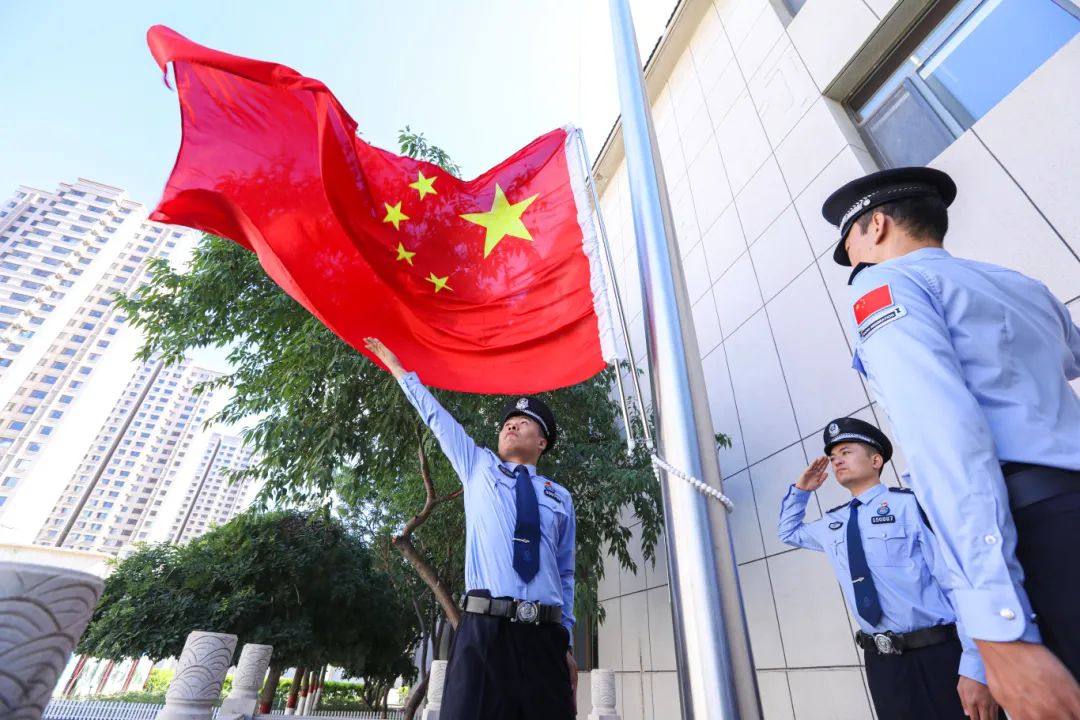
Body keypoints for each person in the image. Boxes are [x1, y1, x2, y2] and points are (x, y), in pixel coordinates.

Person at [821, 166, 1080, 718]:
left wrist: (1000, 628)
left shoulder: (885, 286)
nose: (853, 261)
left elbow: (947, 439)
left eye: (851, 246)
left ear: (877, 225)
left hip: (1030, 532)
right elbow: (1068, 360)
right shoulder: (1021, 285)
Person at [364, 337, 577, 720]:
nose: (511, 425)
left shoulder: (559, 496)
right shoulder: (478, 466)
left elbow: (565, 574)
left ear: (542, 442)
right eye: (507, 423)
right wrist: (399, 370)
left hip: (544, 637)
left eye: (524, 423)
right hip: (484, 632)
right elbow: (437, 419)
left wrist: (567, 641)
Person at [778, 417, 998, 720]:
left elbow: (956, 582)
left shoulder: (911, 506)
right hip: (883, 665)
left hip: (940, 654)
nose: (836, 460)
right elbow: (788, 532)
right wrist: (801, 490)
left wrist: (975, 665)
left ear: (876, 460)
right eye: (833, 456)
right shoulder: (833, 523)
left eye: (846, 452)